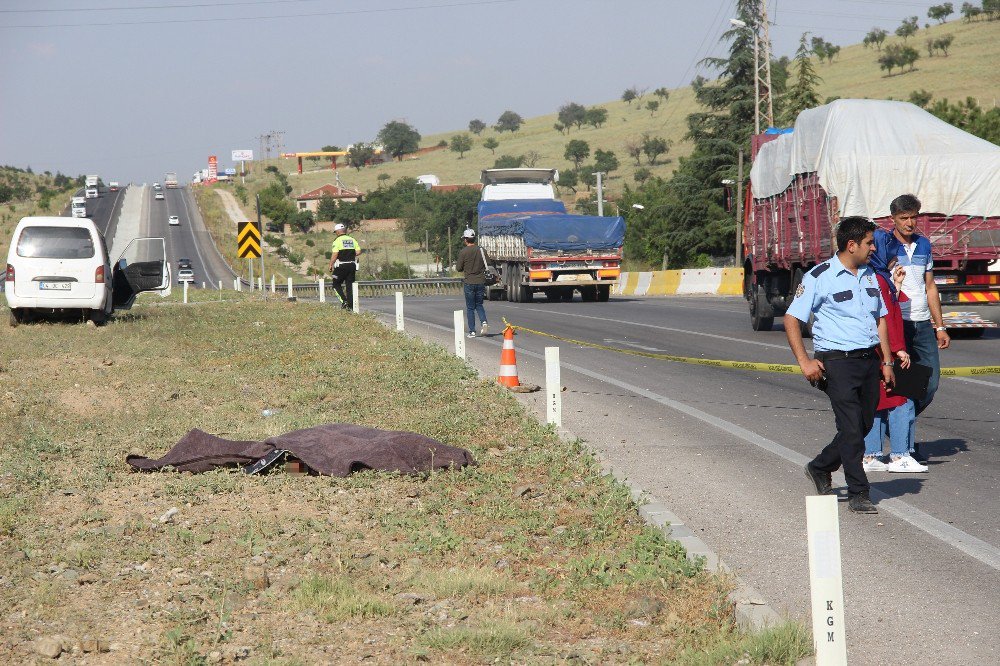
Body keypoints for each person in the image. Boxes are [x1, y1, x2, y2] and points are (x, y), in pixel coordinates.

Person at [786, 216, 895, 515]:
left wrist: (886, 361)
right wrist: (805, 361)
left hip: (868, 361)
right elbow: (792, 318)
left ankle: (819, 466)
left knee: (863, 425)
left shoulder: (870, 275)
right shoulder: (818, 277)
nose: (873, 248)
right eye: (869, 243)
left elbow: (880, 319)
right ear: (852, 245)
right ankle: (860, 492)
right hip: (837, 363)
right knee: (850, 429)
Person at [873, 194, 950, 463]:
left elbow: (930, 287)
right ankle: (904, 446)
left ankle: (898, 430)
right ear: (892, 219)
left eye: (913, 217)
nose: (909, 222)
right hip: (897, 323)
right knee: (904, 385)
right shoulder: (883, 245)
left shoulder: (924, 245)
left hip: (922, 323)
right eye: (904, 218)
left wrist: (939, 326)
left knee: (930, 383)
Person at [861, 255, 927, 474]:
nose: (895, 258)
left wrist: (896, 285)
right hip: (887, 349)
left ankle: (872, 455)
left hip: (877, 348)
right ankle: (900, 454)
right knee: (902, 400)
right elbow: (886, 318)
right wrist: (898, 348)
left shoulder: (877, 278)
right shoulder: (878, 280)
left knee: (878, 401)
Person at [455, 228, 489, 338]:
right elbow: (488, 263)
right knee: (479, 304)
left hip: (469, 282)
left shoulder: (463, 252)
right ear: (474, 239)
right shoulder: (481, 250)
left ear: (465, 239)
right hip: (480, 282)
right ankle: (484, 322)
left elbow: (459, 268)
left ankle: (472, 331)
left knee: (470, 308)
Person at [328, 223, 360, 310]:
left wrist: (330, 265)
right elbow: (358, 252)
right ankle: (351, 307)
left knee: (335, 283)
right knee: (349, 286)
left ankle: (344, 301)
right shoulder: (352, 239)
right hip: (352, 266)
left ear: (337, 232)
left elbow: (335, 254)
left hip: (341, 267)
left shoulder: (337, 241)